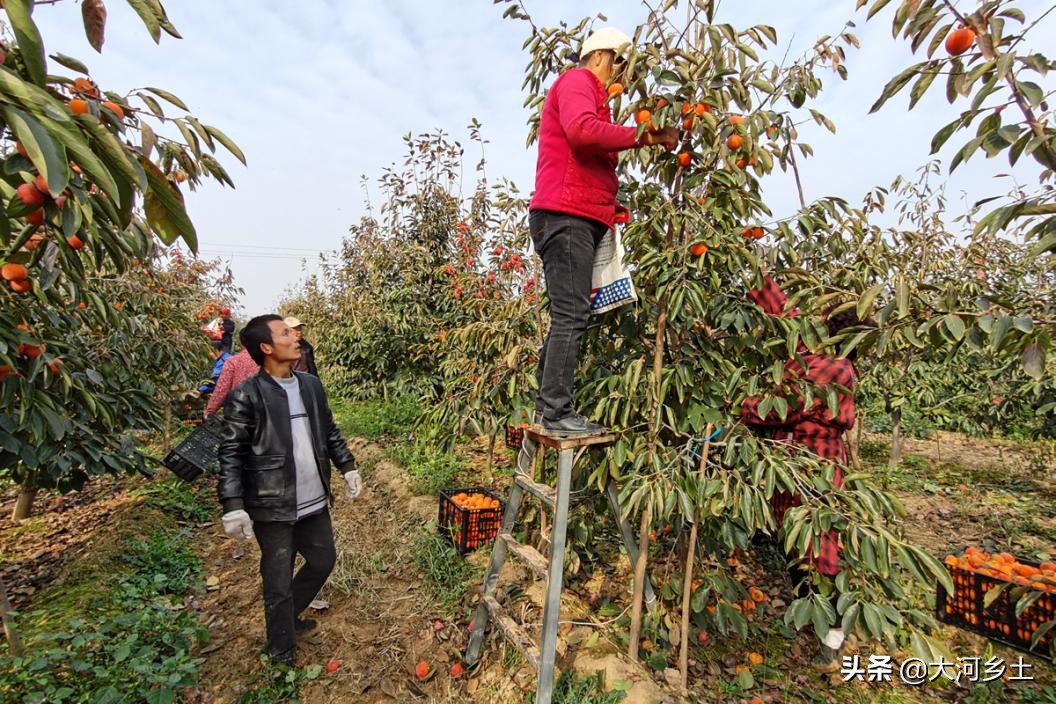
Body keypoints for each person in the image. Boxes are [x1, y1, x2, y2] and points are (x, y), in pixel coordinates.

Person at [528, 27, 678, 437]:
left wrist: (610, 207)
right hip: (565, 216)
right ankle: (555, 412)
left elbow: (589, 157)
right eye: (621, 66)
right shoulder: (578, 81)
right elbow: (581, 132)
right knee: (571, 315)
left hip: (574, 215)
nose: (621, 77)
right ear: (601, 56)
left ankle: (548, 407)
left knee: (570, 314)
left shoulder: (595, 100)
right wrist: (645, 135)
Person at [738, 274, 869, 669]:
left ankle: (830, 634)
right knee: (798, 541)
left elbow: (786, 405)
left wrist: (743, 407)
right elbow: (787, 316)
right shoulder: (821, 355)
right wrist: (756, 276)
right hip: (795, 465)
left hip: (815, 467)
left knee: (819, 545)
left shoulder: (834, 368)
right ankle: (813, 613)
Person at [217, 315, 362, 667]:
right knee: (277, 579)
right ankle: (281, 651)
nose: (295, 337)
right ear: (266, 347)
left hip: (313, 499)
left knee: (323, 560)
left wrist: (347, 465)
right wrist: (233, 503)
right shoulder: (246, 396)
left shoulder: (311, 385)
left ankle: (289, 616)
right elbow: (230, 452)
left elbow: (328, 429)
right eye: (285, 333)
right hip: (273, 504)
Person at [204, 327, 261, 418]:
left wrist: (210, 410)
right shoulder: (270, 361)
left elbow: (222, 388)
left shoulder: (233, 361)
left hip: (239, 413)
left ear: (241, 342)